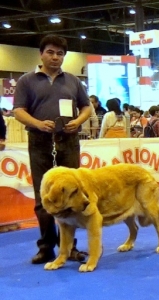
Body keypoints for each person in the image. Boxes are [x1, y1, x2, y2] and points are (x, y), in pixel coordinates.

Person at [12, 35, 91, 264]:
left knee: (73, 195)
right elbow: (18, 110)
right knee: (44, 197)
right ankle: (46, 246)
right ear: (41, 53)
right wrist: (36, 123)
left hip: (68, 142)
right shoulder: (26, 81)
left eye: (60, 54)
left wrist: (78, 121)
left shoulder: (73, 81)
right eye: (51, 52)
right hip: (39, 142)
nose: (55, 57)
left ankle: (71, 248)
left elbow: (86, 107)